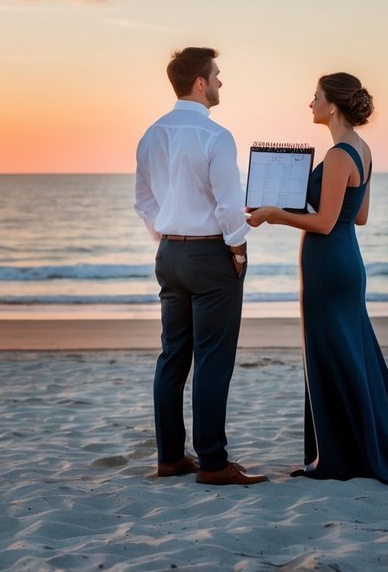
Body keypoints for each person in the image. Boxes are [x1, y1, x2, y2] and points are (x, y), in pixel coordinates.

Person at [247, 73, 388, 485]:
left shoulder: (338, 155)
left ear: (333, 105)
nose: (310, 103)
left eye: (315, 96)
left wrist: (273, 213)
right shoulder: (363, 149)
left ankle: (341, 456)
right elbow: (359, 215)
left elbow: (322, 222)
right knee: (347, 354)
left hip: (328, 265)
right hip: (345, 261)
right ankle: (351, 449)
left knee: (330, 353)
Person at [135, 47, 268, 486]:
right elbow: (230, 205)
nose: (220, 83)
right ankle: (213, 462)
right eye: (216, 76)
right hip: (210, 256)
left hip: (170, 255)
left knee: (173, 356)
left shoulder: (151, 134)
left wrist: (171, 235)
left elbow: (144, 202)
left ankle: (171, 457)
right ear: (199, 83)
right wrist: (238, 249)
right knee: (213, 359)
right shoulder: (216, 136)